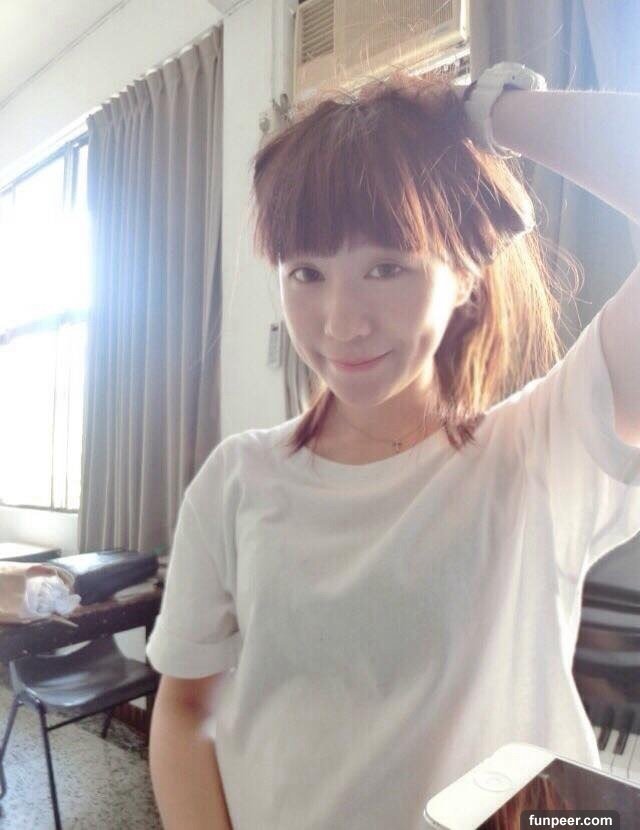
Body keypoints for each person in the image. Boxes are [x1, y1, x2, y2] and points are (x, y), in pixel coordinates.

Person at [145, 64, 640, 829]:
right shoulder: (236, 479)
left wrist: (487, 111)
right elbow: (185, 706)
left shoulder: (541, 452)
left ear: (465, 276)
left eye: (386, 267)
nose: (341, 323)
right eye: (306, 272)